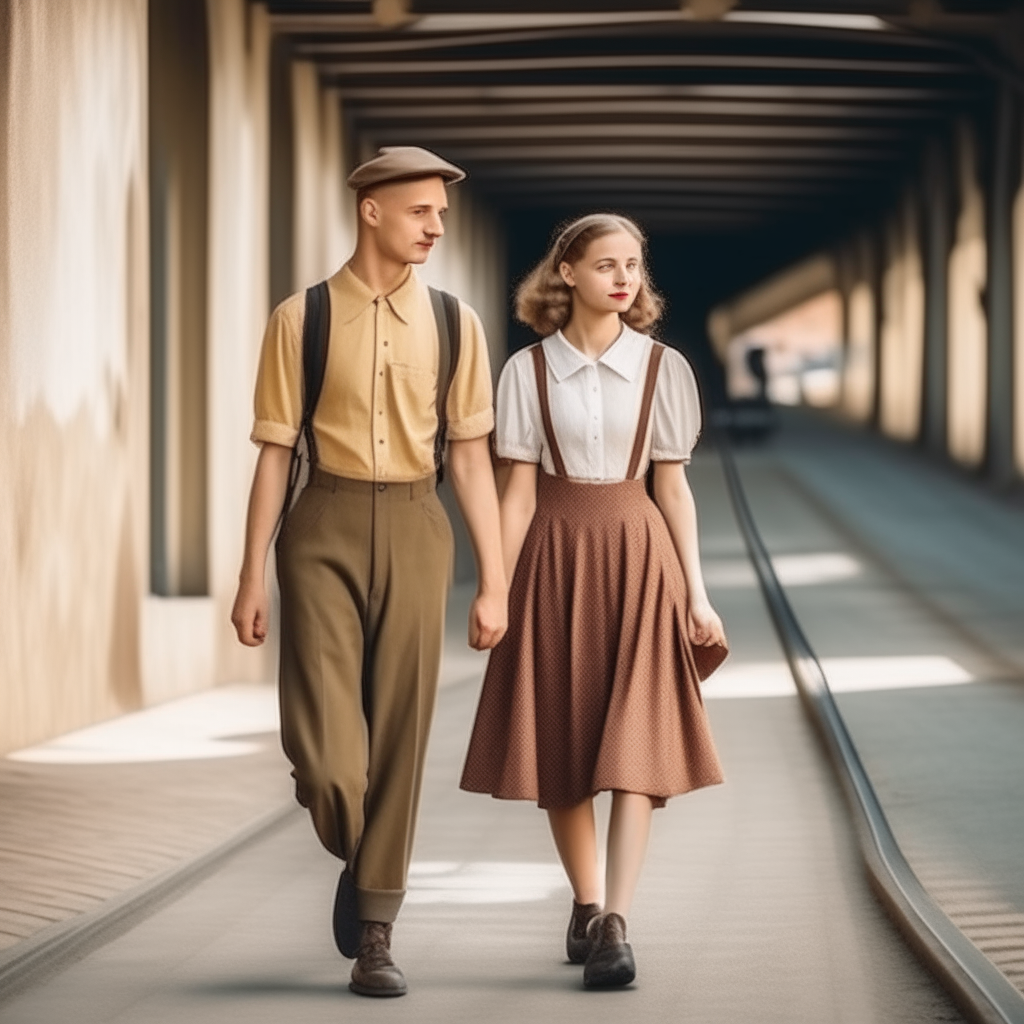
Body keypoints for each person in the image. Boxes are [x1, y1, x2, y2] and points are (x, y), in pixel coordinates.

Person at [231, 147, 507, 998]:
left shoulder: (458, 322)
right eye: (421, 211)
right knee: (325, 759)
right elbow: (276, 454)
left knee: (400, 732)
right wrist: (250, 576)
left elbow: (469, 461)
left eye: (442, 216)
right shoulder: (301, 318)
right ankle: (360, 851)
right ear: (373, 211)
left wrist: (495, 578)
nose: (435, 227)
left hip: (421, 526)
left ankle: (377, 930)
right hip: (322, 523)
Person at [460, 212, 727, 989]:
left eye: (634, 266)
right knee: (564, 742)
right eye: (606, 264)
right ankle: (584, 902)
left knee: (636, 743)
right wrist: (494, 589)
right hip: (552, 557)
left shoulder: (662, 369)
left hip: (641, 559)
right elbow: (515, 497)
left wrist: (697, 595)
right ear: (566, 273)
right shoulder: (526, 372)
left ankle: (616, 919)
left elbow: (673, 489)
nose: (623, 278)